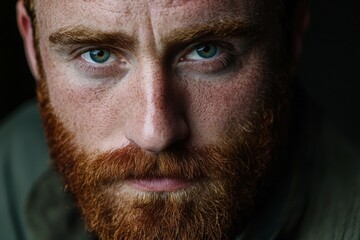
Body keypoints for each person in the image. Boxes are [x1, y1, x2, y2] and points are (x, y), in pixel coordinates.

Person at [1, 0, 359, 239]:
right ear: (32, 46)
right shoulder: (12, 166)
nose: (154, 133)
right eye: (97, 55)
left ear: (291, 34)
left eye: (207, 50)